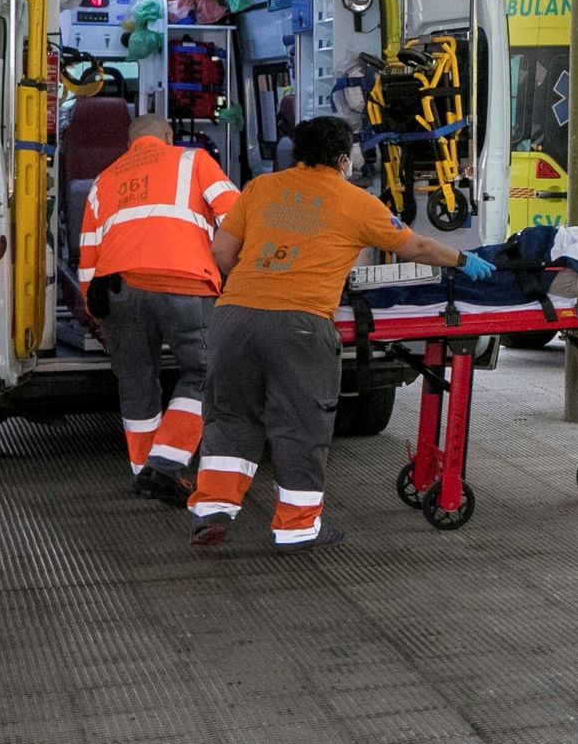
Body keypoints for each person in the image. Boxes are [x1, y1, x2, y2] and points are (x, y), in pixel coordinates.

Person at [189, 115, 494, 551]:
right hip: (300, 323)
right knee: (299, 424)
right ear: (340, 158)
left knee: (230, 417)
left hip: (233, 315)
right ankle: (297, 527)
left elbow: (221, 251)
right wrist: (464, 261)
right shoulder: (355, 202)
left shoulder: (259, 189)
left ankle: (212, 510)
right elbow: (417, 246)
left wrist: (258, 288)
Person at [79, 114, 239, 506]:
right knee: (206, 373)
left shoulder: (103, 180)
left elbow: (88, 252)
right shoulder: (193, 160)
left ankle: (143, 471)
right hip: (184, 282)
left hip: (119, 290)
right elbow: (236, 215)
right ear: (167, 136)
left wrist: (93, 309)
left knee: (135, 378)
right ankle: (164, 465)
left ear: (130, 143)